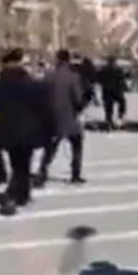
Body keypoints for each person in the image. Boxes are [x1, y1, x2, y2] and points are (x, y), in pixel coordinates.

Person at [0, 48, 51, 215]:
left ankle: (19, 193)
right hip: (29, 131)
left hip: (7, 131)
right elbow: (43, 109)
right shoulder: (32, 83)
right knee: (24, 163)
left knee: (15, 162)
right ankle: (20, 194)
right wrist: (46, 129)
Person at [37, 49, 86, 186]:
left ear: (57, 60)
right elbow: (77, 99)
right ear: (68, 60)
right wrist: (80, 108)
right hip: (70, 119)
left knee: (50, 149)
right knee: (77, 146)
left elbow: (41, 97)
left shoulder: (48, 77)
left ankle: (42, 172)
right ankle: (75, 174)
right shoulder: (73, 77)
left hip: (51, 119)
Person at [97, 56, 127, 129]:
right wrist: (125, 87)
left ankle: (108, 120)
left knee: (108, 107)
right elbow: (122, 79)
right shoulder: (118, 70)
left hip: (107, 91)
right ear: (114, 62)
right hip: (117, 91)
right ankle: (120, 117)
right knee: (122, 102)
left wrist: (103, 84)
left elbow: (98, 79)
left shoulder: (103, 70)